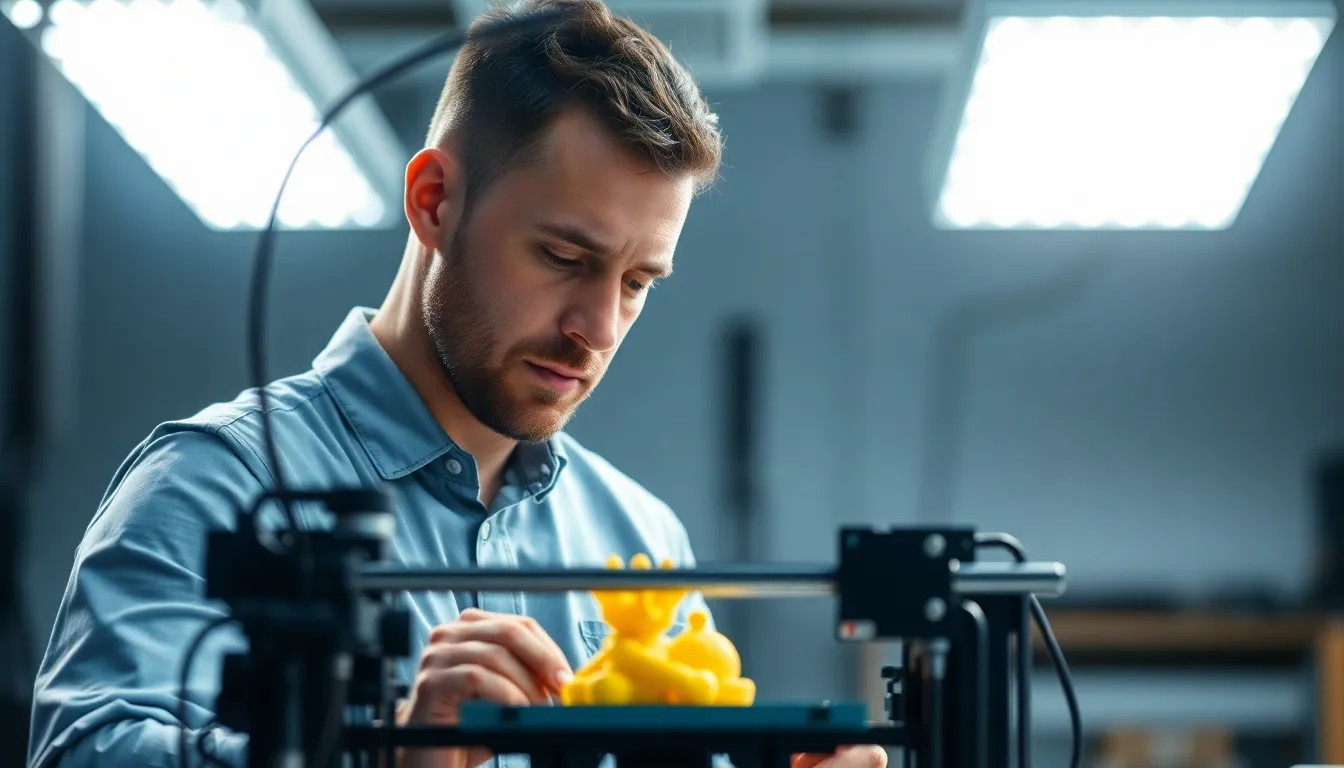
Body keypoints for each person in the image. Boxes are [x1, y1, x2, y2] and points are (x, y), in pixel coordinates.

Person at [28, 1, 886, 767]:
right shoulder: (216, 486)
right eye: (563, 257)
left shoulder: (641, 533)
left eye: (636, 283)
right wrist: (385, 757)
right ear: (435, 201)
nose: (600, 327)